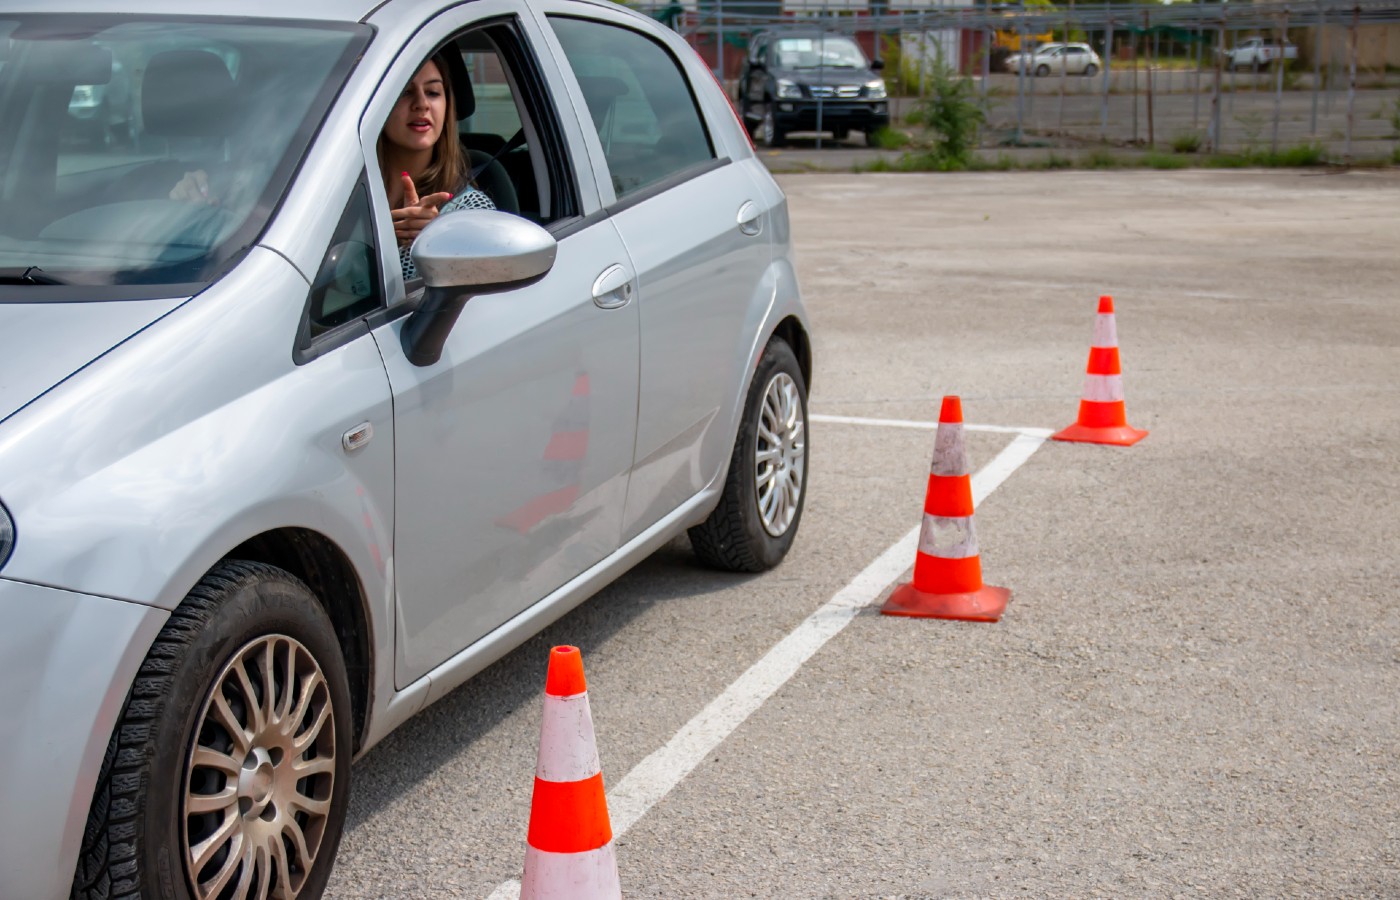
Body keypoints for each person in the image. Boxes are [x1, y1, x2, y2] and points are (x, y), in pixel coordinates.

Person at [378, 51, 495, 281]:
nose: (421, 104)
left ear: (447, 106)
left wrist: (438, 240)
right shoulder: (340, 194)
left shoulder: (471, 211)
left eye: (432, 92)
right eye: (405, 92)